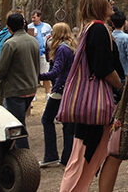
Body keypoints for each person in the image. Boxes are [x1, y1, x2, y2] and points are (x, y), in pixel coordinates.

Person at [59, 0, 123, 192]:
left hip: (89, 105)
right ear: (98, 5)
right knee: (83, 157)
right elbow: (103, 68)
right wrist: (121, 87)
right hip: (96, 105)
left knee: (84, 156)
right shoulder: (98, 30)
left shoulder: (90, 29)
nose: (112, 2)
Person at [0, 12, 39, 148]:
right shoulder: (34, 41)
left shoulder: (10, 44)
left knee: (16, 126)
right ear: (23, 24)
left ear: (9, 28)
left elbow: (2, 69)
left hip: (15, 90)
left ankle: (23, 157)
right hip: (31, 89)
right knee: (19, 122)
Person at [39, 22, 77, 167]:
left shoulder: (61, 49)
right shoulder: (72, 47)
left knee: (47, 119)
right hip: (71, 88)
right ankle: (67, 157)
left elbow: (56, 71)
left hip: (60, 89)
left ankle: (51, 155)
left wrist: (38, 76)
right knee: (68, 124)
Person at [29, 9, 53, 94]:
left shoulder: (47, 27)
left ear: (39, 17)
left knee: (45, 73)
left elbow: (50, 39)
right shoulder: (29, 27)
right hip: (33, 53)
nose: (33, 19)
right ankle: (33, 93)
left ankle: (47, 93)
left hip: (44, 53)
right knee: (33, 74)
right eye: (32, 18)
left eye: (34, 17)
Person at [110, 8, 128, 77]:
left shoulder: (109, 36)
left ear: (112, 23)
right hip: (125, 72)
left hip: (113, 74)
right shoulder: (127, 38)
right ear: (125, 23)